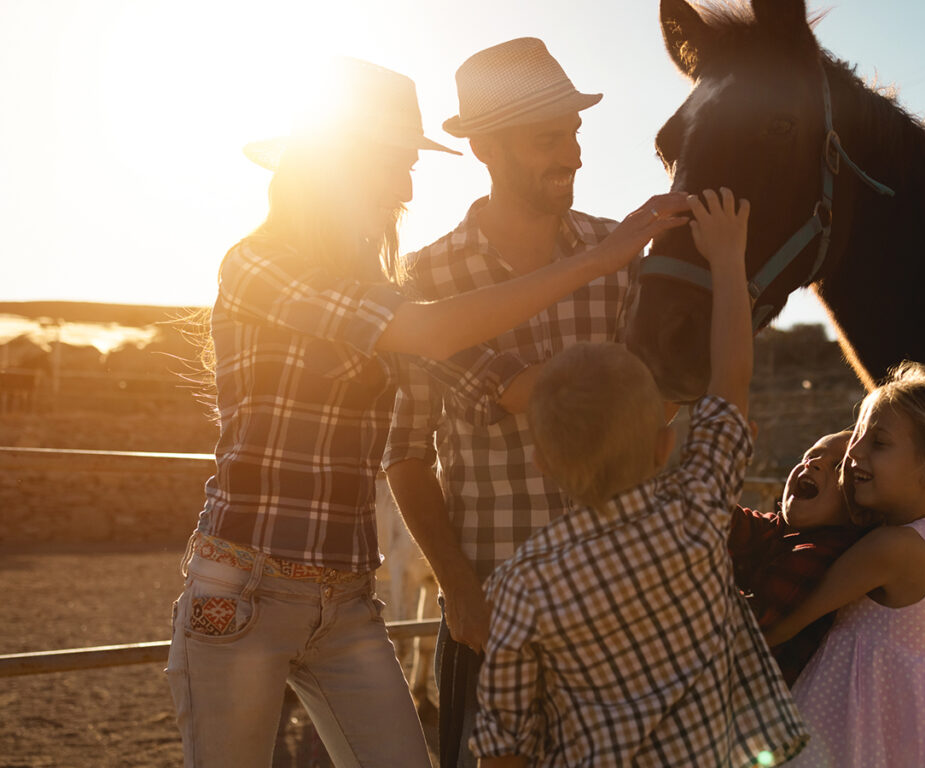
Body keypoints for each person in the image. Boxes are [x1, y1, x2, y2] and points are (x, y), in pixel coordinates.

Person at [164, 56, 688, 768]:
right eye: (394, 165)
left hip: (349, 599)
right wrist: (598, 261)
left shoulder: (385, 290)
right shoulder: (258, 265)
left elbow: (503, 381)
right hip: (244, 588)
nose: (408, 188)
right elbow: (433, 334)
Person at [382, 37, 677, 767]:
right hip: (492, 609)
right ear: (485, 147)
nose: (572, 154)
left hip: (617, 606)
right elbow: (406, 454)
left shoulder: (622, 259)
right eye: (549, 138)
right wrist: (458, 588)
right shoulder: (424, 279)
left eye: (573, 132)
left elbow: (655, 410)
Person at [470, 189, 808, 767]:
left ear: (543, 462)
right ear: (663, 445)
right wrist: (728, 260)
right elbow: (731, 380)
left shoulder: (518, 586)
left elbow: (503, 748)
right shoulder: (698, 512)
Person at [767, 362, 925, 767]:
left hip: (851, 734)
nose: (854, 453)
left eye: (878, 443)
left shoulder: (892, 548)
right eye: (858, 435)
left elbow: (789, 620)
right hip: (906, 738)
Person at [728, 430, 871, 685]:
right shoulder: (780, 529)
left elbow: (751, 619)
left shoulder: (823, 553)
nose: (813, 463)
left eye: (838, 466)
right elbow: (729, 522)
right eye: (810, 455)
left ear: (857, 509)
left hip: (753, 693)